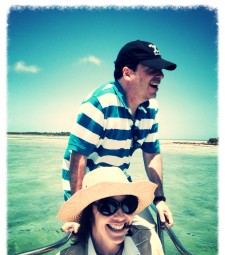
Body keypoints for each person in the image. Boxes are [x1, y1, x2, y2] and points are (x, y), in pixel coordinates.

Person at [61, 40, 177, 232]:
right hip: (87, 188)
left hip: (118, 182)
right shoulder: (100, 102)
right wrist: (78, 212)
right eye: (152, 69)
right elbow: (78, 157)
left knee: (147, 233)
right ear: (127, 73)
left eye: (161, 70)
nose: (161, 76)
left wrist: (159, 199)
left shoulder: (151, 109)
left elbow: (152, 155)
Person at [48, 167, 175, 255]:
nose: (120, 216)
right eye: (108, 206)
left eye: (128, 204)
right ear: (89, 212)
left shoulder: (150, 241)